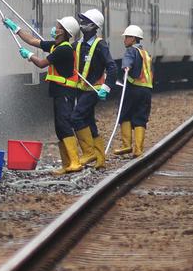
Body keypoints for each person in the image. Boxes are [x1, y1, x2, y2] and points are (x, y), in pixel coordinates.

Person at [13, 16, 85, 175]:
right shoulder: (56, 45)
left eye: (58, 26)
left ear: (64, 32)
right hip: (58, 92)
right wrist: (16, 30)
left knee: (64, 124)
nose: (55, 28)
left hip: (65, 92)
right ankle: (67, 164)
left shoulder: (64, 49)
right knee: (59, 127)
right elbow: (33, 41)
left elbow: (41, 64)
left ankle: (75, 161)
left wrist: (29, 55)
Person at [71, 9, 119, 167]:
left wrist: (106, 87)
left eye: (85, 21)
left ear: (93, 26)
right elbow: (61, 52)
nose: (81, 23)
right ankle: (100, 159)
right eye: (82, 20)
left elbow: (112, 67)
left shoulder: (100, 45)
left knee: (76, 117)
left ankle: (89, 153)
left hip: (93, 90)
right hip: (81, 89)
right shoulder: (78, 44)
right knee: (89, 121)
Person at [112, 25, 154, 158]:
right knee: (141, 117)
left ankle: (126, 145)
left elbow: (128, 61)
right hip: (146, 90)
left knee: (124, 114)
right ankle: (138, 150)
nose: (124, 40)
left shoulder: (131, 51)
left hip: (133, 88)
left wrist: (126, 67)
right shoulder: (146, 54)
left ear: (133, 39)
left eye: (127, 37)